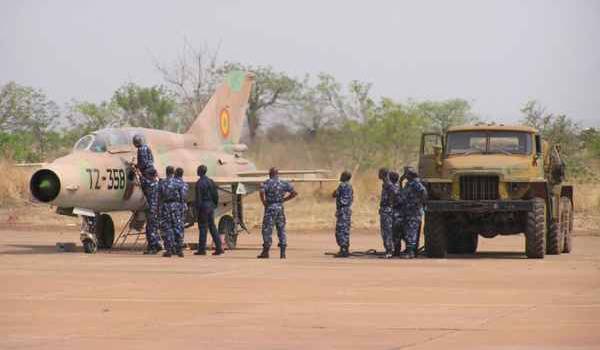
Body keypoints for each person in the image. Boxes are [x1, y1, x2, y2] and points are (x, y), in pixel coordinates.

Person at [257, 167, 297, 259]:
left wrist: (263, 202)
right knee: (281, 229)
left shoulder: (267, 183)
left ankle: (266, 252)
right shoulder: (284, 183)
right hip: (280, 208)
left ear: (270, 174)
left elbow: (261, 191)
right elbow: (294, 193)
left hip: (270, 208)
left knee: (267, 230)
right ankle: (282, 253)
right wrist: (284, 200)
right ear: (277, 174)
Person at [194, 164, 223, 256]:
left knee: (203, 228)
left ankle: (202, 250)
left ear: (199, 172)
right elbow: (215, 195)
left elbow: (198, 198)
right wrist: (214, 204)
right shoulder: (211, 181)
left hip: (203, 207)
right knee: (212, 227)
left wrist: (197, 209)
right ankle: (219, 247)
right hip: (210, 206)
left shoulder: (199, 183)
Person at [399, 167, 428, 259]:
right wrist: (400, 181)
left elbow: (423, 192)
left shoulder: (416, 183)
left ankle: (411, 252)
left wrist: (419, 202)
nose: (405, 175)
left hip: (414, 212)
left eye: (406, 174)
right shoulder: (409, 184)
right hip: (408, 212)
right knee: (409, 231)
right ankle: (411, 250)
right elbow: (402, 194)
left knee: (412, 232)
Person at [159, 166, 183, 257]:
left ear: (166, 172)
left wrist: (159, 208)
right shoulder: (178, 182)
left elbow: (159, 197)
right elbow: (181, 196)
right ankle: (179, 249)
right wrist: (180, 206)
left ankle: (169, 250)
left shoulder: (162, 183)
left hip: (165, 207)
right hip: (176, 206)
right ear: (173, 172)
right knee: (177, 227)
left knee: (167, 228)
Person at [140, 168, 162, 254]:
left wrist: (136, 170)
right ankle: (156, 244)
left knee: (150, 228)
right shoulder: (158, 183)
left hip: (152, 210)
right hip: (157, 209)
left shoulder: (151, 184)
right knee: (154, 227)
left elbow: (142, 179)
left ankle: (153, 247)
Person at [332, 170, 353, 258]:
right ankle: (345, 248)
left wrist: (334, 192)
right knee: (345, 230)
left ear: (344, 177)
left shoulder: (342, 185)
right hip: (347, 209)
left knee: (340, 230)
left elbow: (334, 194)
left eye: (342, 175)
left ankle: (343, 249)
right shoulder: (350, 186)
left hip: (342, 210)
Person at [379, 168, 396, 259]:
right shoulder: (385, 184)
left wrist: (390, 204)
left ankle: (389, 251)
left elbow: (395, 194)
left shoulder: (389, 184)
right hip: (384, 210)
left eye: (380, 173)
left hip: (387, 210)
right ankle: (388, 250)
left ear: (383, 174)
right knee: (384, 232)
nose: (378, 175)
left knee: (387, 231)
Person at [389, 171, 404, 257]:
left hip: (397, 213)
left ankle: (397, 250)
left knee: (396, 233)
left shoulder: (395, 189)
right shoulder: (398, 187)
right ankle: (397, 250)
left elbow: (399, 201)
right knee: (396, 233)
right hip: (398, 212)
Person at [174, 167, 189, 254]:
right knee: (180, 226)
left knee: (172, 226)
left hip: (173, 206)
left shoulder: (172, 183)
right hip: (182, 207)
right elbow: (184, 196)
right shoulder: (185, 184)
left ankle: (174, 245)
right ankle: (179, 245)